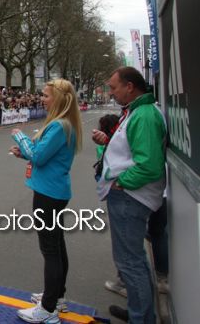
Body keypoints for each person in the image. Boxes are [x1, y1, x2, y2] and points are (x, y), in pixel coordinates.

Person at [93, 67, 166, 324]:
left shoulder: (144, 115)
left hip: (131, 197)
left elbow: (149, 165)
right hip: (131, 196)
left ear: (130, 86)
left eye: (114, 88)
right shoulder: (138, 111)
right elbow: (130, 151)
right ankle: (141, 312)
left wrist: (121, 183)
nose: (111, 93)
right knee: (135, 260)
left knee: (129, 262)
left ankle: (141, 317)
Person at [9, 79, 82, 324]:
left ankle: (48, 308)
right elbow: (43, 156)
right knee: (57, 246)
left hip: (48, 194)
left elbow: (38, 157)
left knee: (50, 250)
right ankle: (56, 297)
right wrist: (25, 153)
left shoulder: (59, 125)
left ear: (58, 99)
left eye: (46, 95)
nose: (42, 99)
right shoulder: (64, 124)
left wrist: (21, 138)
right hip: (54, 191)